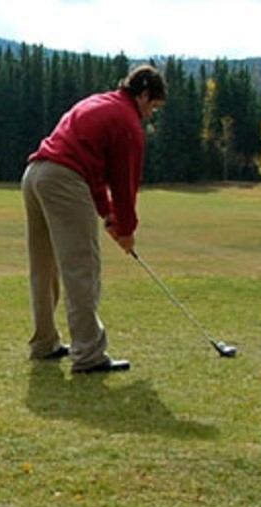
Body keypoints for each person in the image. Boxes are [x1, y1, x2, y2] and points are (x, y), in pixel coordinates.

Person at [21, 64, 166, 374]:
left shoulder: (100, 102)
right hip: (63, 179)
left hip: (35, 175)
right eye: (153, 106)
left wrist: (108, 216)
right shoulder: (127, 123)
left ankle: (44, 343)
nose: (151, 114)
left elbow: (96, 175)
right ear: (142, 95)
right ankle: (89, 354)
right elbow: (124, 184)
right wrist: (125, 229)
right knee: (81, 268)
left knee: (44, 267)